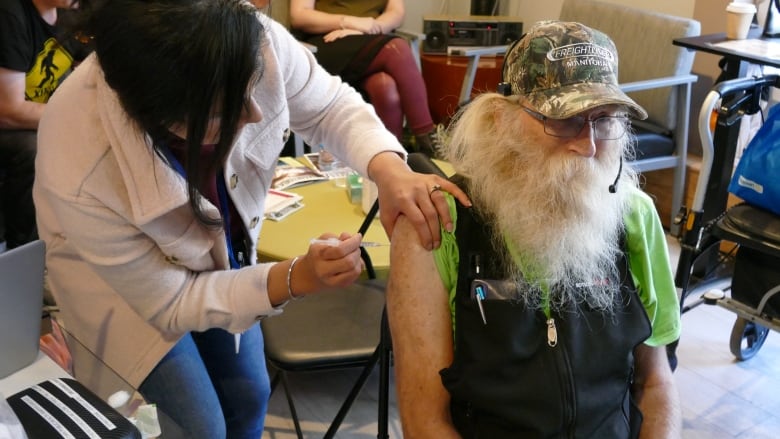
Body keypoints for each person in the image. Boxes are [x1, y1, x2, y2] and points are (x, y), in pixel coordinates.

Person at [32, 1, 468, 438]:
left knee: (249, 391)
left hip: (214, 255)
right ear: (158, 116)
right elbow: (173, 303)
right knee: (198, 426)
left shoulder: (245, 36)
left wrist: (389, 169)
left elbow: (327, 106)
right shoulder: (81, 164)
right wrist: (295, 277)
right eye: (222, 111)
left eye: (253, 85)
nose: (256, 114)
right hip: (120, 291)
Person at [387, 20, 682, 439]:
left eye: (603, 119)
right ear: (500, 120)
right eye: (564, 121)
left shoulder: (635, 215)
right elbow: (425, 422)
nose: (589, 145)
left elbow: (656, 383)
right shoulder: (439, 225)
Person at [289, 0, 440, 156]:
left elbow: (396, 12)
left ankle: (393, 158)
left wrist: (371, 28)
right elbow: (299, 15)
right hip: (327, 40)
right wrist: (349, 22)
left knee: (385, 86)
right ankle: (429, 143)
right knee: (397, 48)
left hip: (371, 39)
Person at [0, 0, 84, 250]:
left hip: (36, 114)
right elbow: (8, 111)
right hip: (8, 121)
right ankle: (25, 251)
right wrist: (74, 118)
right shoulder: (10, 16)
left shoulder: (70, 13)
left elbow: (94, 71)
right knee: (33, 147)